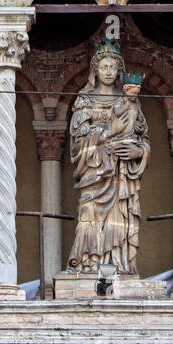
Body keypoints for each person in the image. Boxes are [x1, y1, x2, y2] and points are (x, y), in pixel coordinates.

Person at [66, 38, 150, 275]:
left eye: (113, 67)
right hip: (95, 172)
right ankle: (87, 263)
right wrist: (108, 133)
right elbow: (78, 139)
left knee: (119, 219)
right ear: (95, 69)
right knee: (88, 215)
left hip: (121, 174)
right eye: (104, 66)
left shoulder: (129, 102)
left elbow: (143, 137)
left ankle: (119, 264)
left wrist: (140, 152)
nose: (109, 72)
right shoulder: (84, 101)